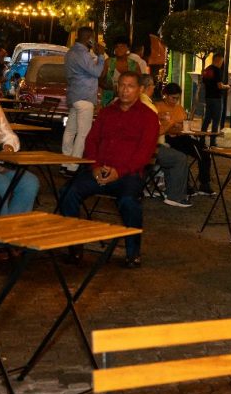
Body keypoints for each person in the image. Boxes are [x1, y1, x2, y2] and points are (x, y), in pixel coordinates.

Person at [60, 71, 159, 268]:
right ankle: (74, 246)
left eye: (130, 86)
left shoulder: (148, 117)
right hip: (99, 170)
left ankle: (133, 253)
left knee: (129, 202)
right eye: (121, 85)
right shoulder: (107, 113)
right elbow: (91, 141)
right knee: (67, 192)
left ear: (139, 90)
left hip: (128, 174)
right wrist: (95, 167)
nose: (125, 90)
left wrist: (119, 172)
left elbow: (144, 153)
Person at [0, 61, 38, 216]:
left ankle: (14, 227)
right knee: (2, 184)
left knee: (30, 183)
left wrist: (9, 147)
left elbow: (9, 134)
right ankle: (0, 231)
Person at [156, 82, 213, 206]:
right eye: (173, 98)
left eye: (177, 98)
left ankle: (204, 183)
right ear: (166, 95)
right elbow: (160, 128)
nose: (175, 101)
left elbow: (184, 124)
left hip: (182, 136)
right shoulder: (158, 107)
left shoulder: (179, 108)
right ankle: (184, 186)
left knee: (204, 151)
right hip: (167, 138)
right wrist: (172, 125)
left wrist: (179, 126)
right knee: (180, 155)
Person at [62, 26, 106, 173]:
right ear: (89, 39)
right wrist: (101, 56)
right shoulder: (83, 54)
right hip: (85, 97)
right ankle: (73, 166)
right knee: (83, 133)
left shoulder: (70, 53)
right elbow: (97, 72)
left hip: (74, 95)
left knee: (70, 131)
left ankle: (65, 162)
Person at [100, 36, 147, 106]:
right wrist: (111, 88)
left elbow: (140, 83)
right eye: (116, 47)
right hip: (109, 101)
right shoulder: (109, 62)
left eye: (122, 46)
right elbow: (100, 80)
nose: (119, 49)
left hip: (129, 101)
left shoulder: (134, 65)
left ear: (128, 48)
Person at [200, 53, 229, 146]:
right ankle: (213, 142)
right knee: (216, 120)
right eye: (222, 61)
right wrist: (227, 86)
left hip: (208, 97)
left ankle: (201, 139)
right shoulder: (217, 70)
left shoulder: (207, 69)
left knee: (207, 119)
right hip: (216, 98)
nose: (222, 63)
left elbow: (204, 82)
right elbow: (219, 86)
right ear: (219, 60)